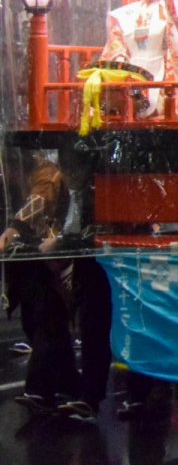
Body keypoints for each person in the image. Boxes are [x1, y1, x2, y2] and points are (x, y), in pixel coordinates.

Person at [2, 151, 111, 421]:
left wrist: (16, 229)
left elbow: (39, 203)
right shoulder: (67, 184)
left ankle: (75, 393)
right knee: (46, 323)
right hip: (50, 258)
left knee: (81, 326)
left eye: (73, 168)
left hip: (80, 261)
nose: (69, 174)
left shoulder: (53, 178)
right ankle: (68, 387)